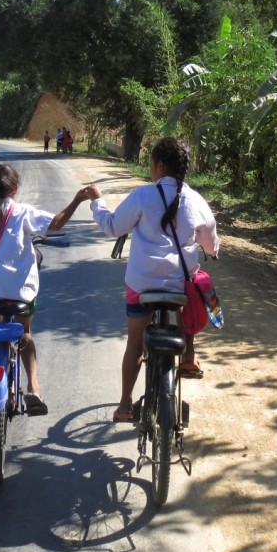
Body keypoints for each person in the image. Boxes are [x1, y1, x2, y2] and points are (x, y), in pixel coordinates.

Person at [83, 137, 220, 423]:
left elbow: (112, 226)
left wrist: (98, 202)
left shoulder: (142, 196)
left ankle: (124, 406)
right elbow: (211, 247)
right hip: (178, 287)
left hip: (142, 286)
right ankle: (188, 355)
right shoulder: (196, 200)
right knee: (195, 284)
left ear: (158, 165)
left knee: (135, 342)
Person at [0, 163, 90, 415]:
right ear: (15, 189)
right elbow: (56, 224)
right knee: (25, 334)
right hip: (22, 293)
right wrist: (76, 200)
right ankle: (34, 389)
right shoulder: (22, 213)